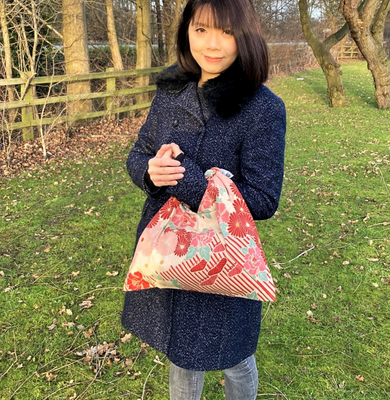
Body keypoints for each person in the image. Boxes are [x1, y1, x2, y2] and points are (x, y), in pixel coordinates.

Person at [122, 0, 286, 398]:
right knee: (182, 354)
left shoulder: (263, 108)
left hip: (223, 259)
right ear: (186, 32)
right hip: (169, 250)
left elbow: (264, 198)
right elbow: (138, 153)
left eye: (226, 31)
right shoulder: (170, 92)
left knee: (236, 358)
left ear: (246, 37)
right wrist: (150, 172)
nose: (212, 44)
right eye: (201, 29)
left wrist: (189, 180)